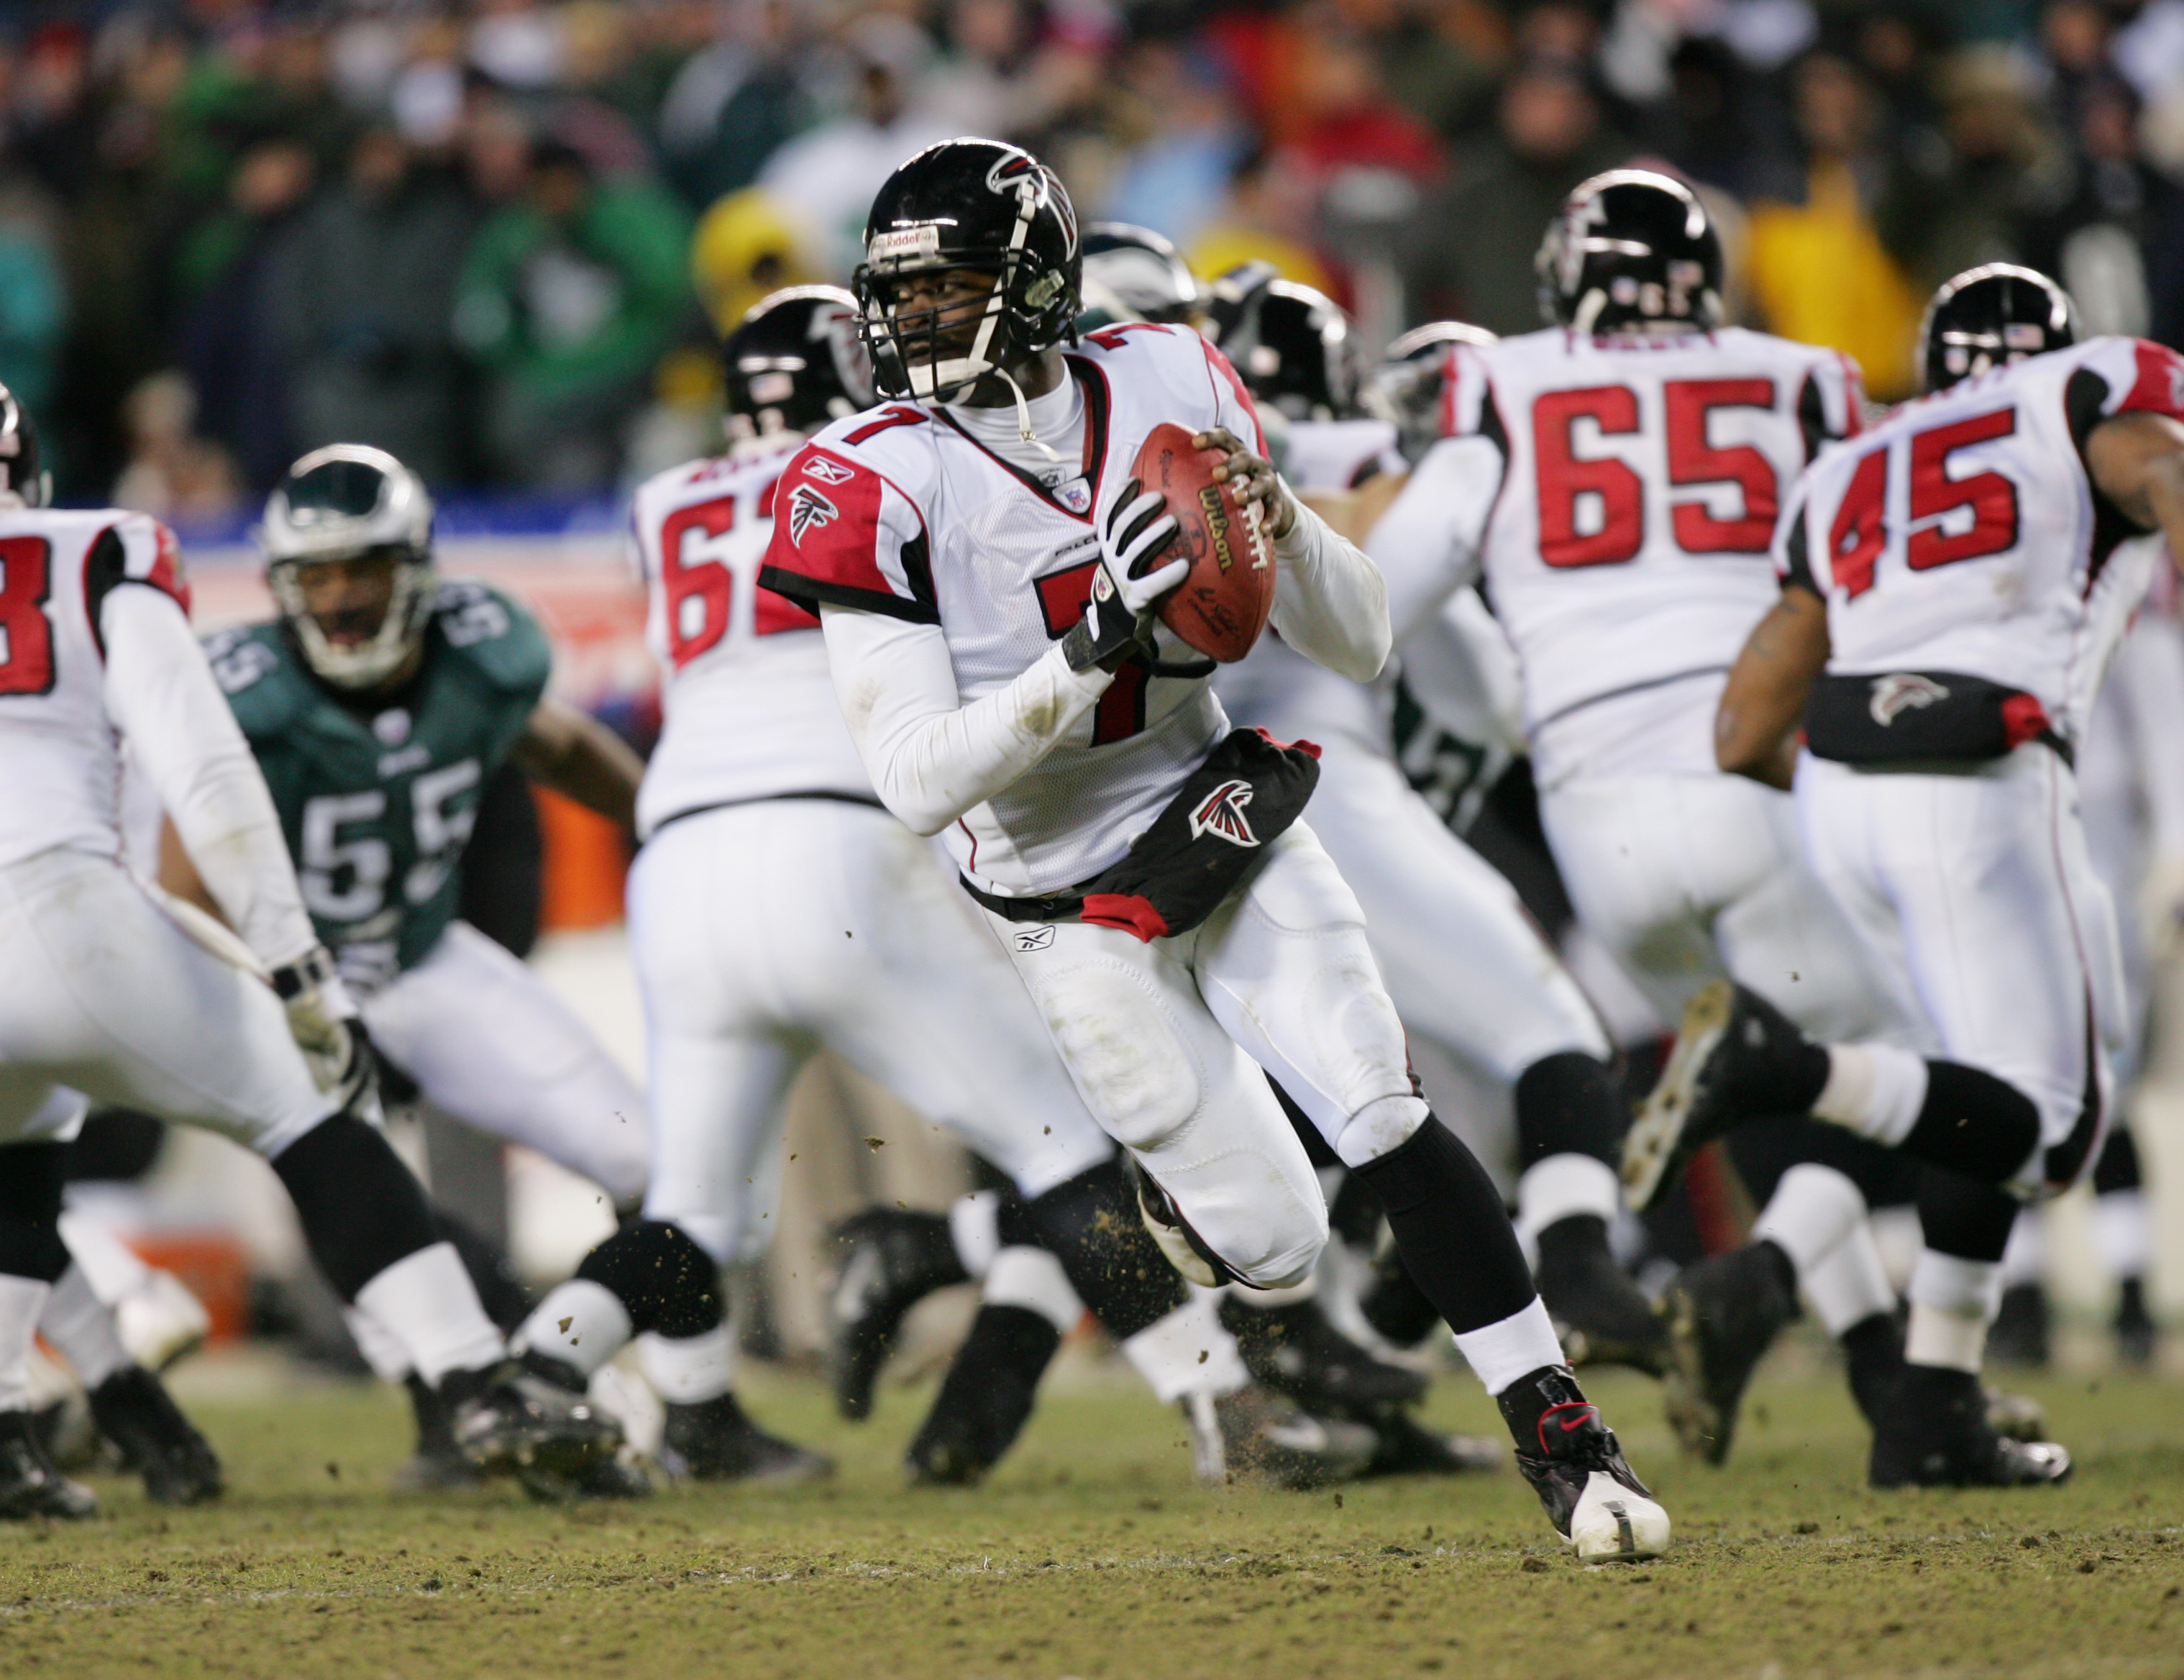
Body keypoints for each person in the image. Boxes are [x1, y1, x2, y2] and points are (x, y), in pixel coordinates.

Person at [758, 138, 1666, 1562]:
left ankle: (1562, 1433)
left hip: (1213, 808)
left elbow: (1359, 637)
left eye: (946, 285)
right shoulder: (870, 474)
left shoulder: (1171, 382)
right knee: (1284, 1244)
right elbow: (917, 778)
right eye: (896, 290)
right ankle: (1137, 1217)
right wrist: (1097, 638)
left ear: (1038, 282)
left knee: (1379, 1103)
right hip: (1058, 895)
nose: (911, 318)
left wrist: (1274, 515)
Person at [0, 365, 617, 1518]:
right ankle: (477, 1381)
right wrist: (293, 960)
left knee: (6, 1135)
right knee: (307, 1105)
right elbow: (203, 767)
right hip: (57, 911)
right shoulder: (96, 550)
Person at [513, 285, 1377, 1492]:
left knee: (698, 1204)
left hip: (682, 856)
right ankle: (1228, 1404)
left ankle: (540, 1376)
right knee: (1070, 1143)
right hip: (838, 845)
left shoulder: (666, 501)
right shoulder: (876, 470)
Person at [1360, 170, 1928, 1468]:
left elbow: (1384, 598)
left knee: (1780, 1065)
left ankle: (1883, 1375)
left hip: (1595, 821)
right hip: (1759, 779)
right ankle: (1767, 1285)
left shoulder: (1498, 386)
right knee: (1895, 1066)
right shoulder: (1806, 380)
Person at [1629, 263, 2184, 1487]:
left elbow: (1742, 729)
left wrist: (1865, 789)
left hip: (1840, 783)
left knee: (1971, 1101)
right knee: (2051, 1131)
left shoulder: (1850, 467)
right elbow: (2161, 472)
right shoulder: (2088, 388)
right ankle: (1779, 1069)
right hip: (1987, 760)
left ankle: (1932, 1406)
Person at [1205, 273, 1666, 1374]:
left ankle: (1331, 1352)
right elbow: (1487, 691)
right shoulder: (1382, 458)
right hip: (1331, 783)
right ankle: (1583, 1271)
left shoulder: (1164, 450)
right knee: (1547, 1043)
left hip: (1183, 804)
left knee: (1325, 1106)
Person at [170, 442, 652, 1488]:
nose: (342, 600)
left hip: (428, 959)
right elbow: (182, 883)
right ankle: (451, 1415)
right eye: (320, 576)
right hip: (294, 980)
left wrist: (666, 820)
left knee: (656, 1164)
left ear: (417, 568)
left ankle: (682, 1404)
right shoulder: (240, 693)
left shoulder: (485, 652)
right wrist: (273, 1005)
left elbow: (561, 749)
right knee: (356, 1202)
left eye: (365, 571)